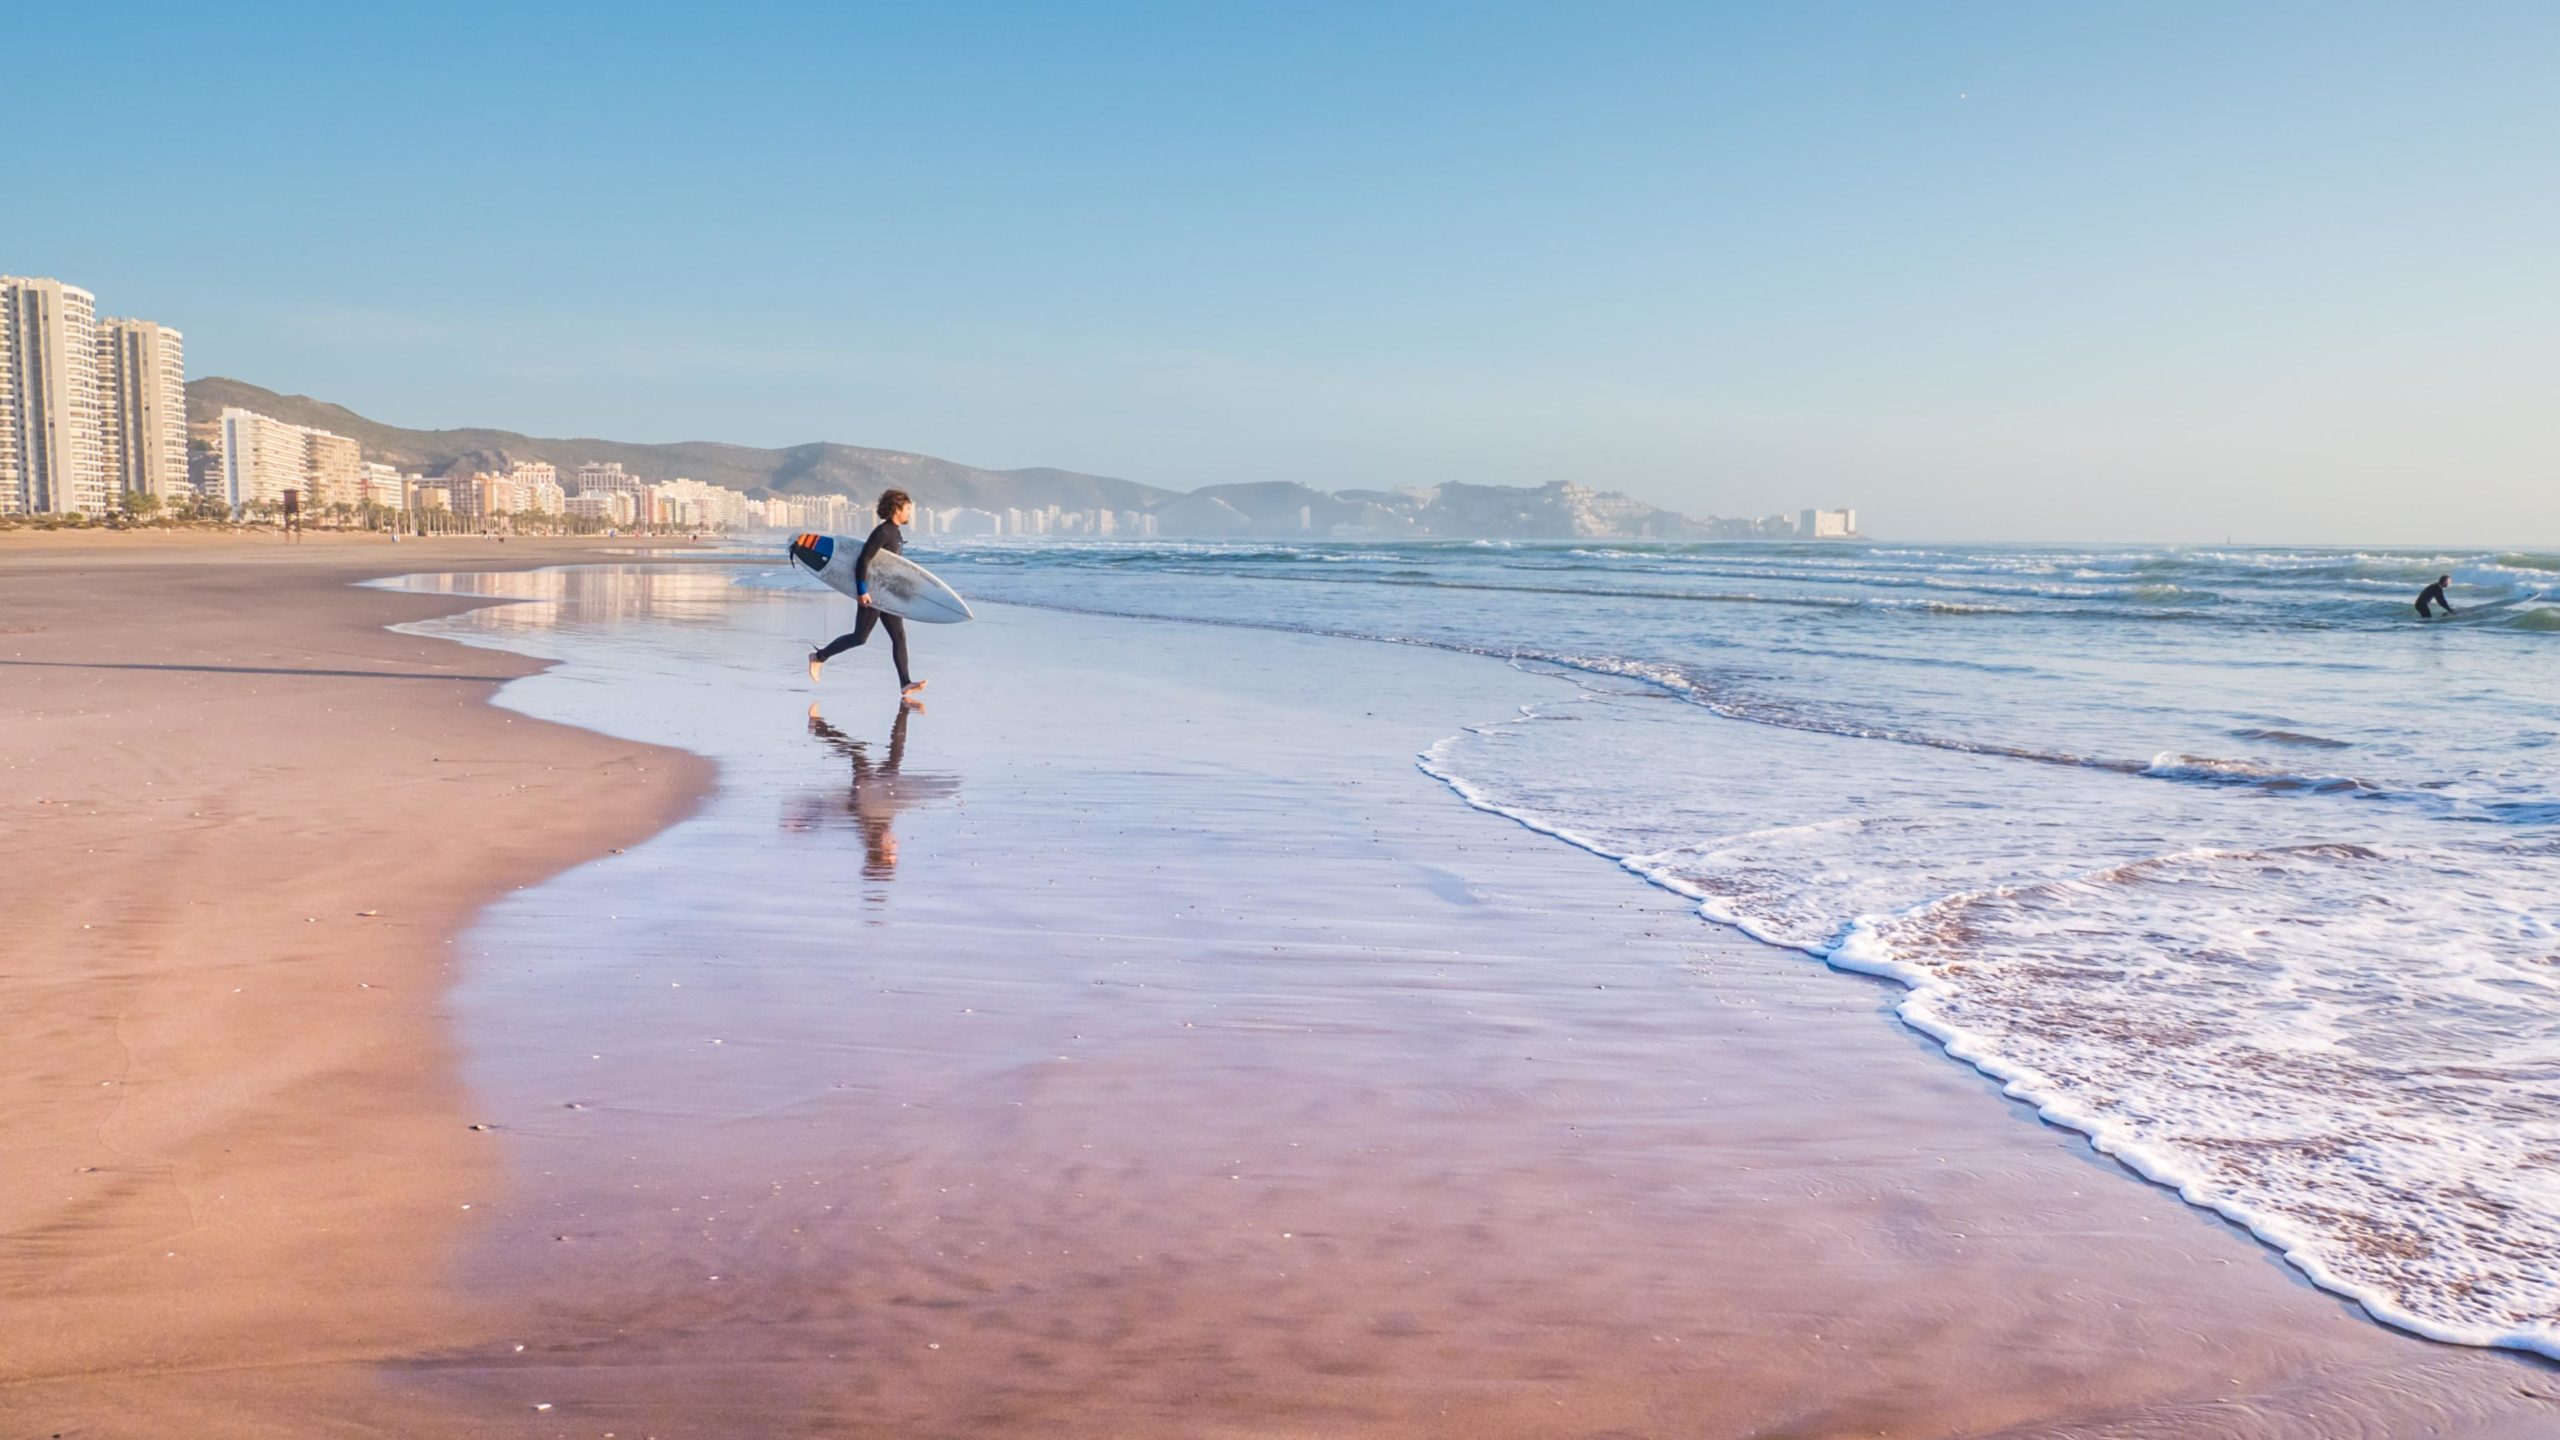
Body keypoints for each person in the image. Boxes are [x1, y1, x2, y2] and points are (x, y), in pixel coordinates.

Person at [807, 489, 928, 698]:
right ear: (897, 508)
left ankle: (905, 683)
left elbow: (890, 566)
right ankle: (818, 657)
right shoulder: (883, 532)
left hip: (886, 593)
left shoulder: (896, 533)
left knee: (899, 636)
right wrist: (862, 591)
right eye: (908, 508)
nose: (910, 512)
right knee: (860, 637)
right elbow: (864, 559)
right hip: (872, 592)